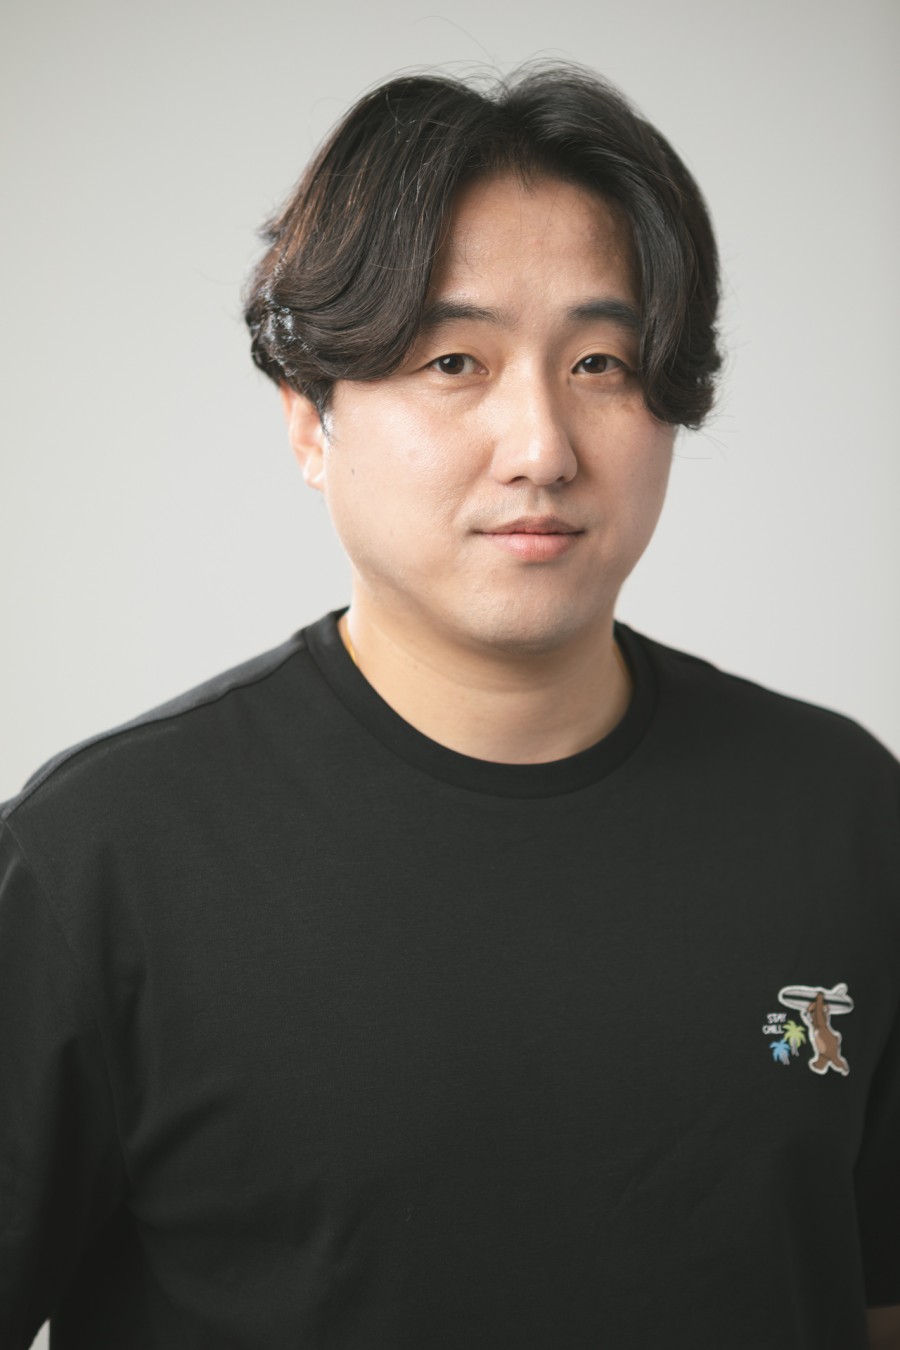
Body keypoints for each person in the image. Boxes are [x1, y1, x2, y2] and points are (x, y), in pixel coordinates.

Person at [1, 63, 898, 1350]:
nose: (541, 447)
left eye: (600, 361)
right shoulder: (98, 862)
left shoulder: (846, 814)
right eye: (453, 360)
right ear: (309, 420)